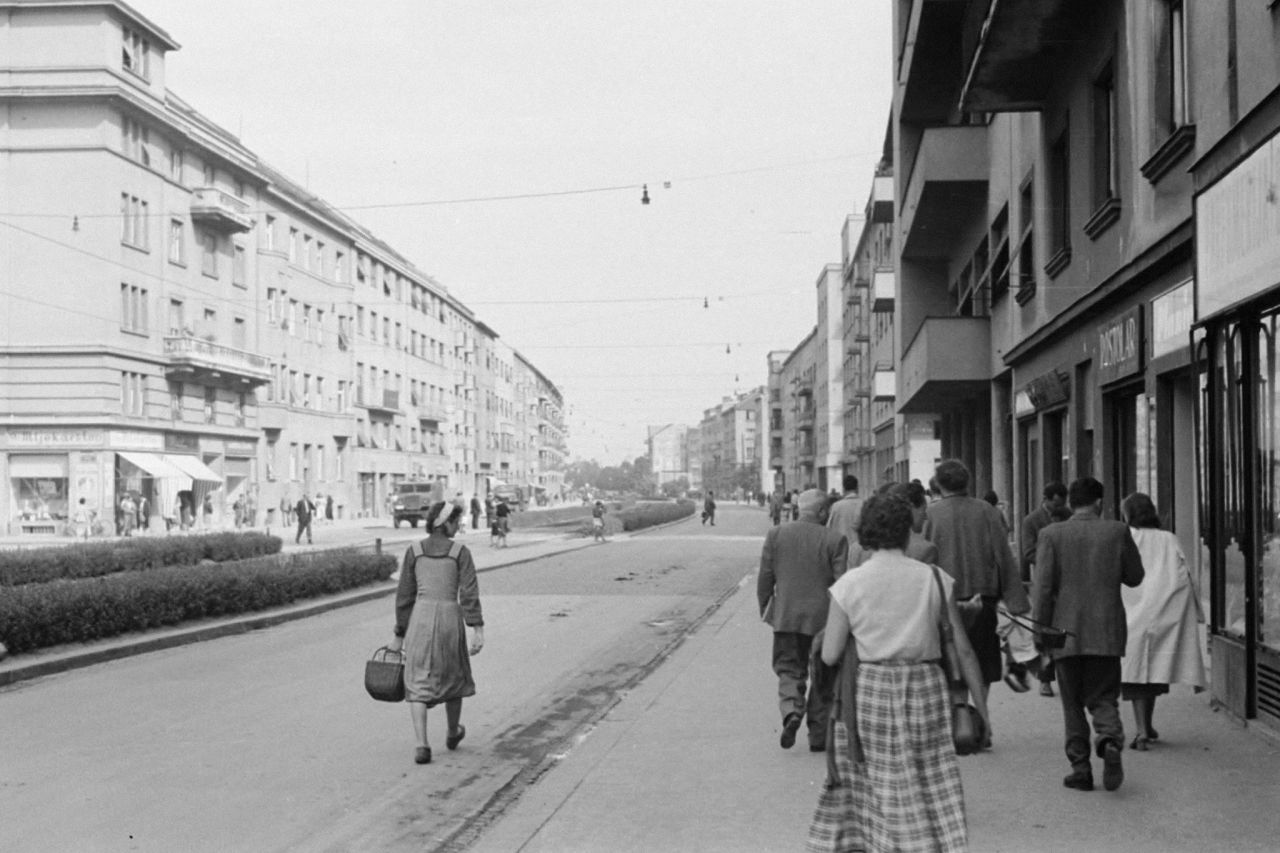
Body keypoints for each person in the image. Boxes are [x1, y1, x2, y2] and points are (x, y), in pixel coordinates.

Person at [807, 494, 988, 853]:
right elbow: (963, 649)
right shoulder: (935, 579)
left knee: (883, 784)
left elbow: (829, 656)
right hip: (926, 689)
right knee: (929, 777)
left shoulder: (849, 585)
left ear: (865, 533)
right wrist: (982, 708)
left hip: (871, 691)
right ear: (908, 531)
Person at [1034, 476, 1144, 792]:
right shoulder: (1117, 531)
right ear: (1099, 502)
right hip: (1106, 631)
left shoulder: (1050, 534)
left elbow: (1042, 589)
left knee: (1071, 702)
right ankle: (1109, 737)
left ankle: (1080, 769)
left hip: (1064, 632)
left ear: (1070, 501)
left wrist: (1040, 633)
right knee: (1104, 694)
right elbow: (1135, 577)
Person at [923, 459, 1028, 719]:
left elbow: (923, 555)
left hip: (944, 599)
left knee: (952, 658)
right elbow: (1004, 556)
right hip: (984, 596)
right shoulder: (987, 511)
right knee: (983, 658)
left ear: (939, 484)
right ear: (967, 482)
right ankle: (980, 716)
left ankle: (960, 716)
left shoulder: (930, 515)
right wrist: (1016, 601)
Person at [389, 501, 484, 765]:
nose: (459, 526)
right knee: (453, 675)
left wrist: (399, 632)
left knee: (418, 679)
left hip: (420, 619)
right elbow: (469, 593)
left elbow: (404, 596)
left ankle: (422, 745)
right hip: (449, 619)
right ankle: (452, 732)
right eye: (457, 521)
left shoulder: (415, 551)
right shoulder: (460, 552)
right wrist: (477, 628)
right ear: (447, 523)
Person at [758, 488, 848, 752]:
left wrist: (767, 608)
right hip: (824, 621)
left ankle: (791, 711)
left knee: (788, 669)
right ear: (821, 512)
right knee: (823, 676)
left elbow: (766, 577)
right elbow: (842, 584)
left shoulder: (777, 534)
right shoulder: (836, 539)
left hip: (786, 617)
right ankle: (818, 735)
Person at [1119, 492, 1207, 751]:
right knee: (1156, 668)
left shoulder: (1128, 537)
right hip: (1165, 608)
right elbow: (1185, 574)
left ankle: (1142, 729)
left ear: (1128, 514)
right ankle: (1147, 725)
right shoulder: (1169, 538)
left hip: (1132, 609)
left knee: (1135, 672)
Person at [1019, 481, 1071, 697]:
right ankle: (1046, 679)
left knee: (1067, 630)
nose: (1058, 507)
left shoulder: (1069, 515)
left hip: (1069, 581)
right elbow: (1028, 551)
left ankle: (1068, 679)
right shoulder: (1031, 521)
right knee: (1045, 630)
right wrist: (1048, 559)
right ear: (1046, 500)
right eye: (1055, 503)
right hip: (1044, 581)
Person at [824, 475, 862, 553]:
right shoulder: (865, 505)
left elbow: (829, 529)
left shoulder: (836, 506)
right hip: (861, 550)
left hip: (842, 550)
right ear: (857, 487)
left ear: (843, 488)